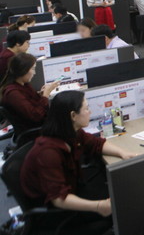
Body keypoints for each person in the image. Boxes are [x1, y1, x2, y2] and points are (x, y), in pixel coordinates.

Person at [20, 91, 136, 234]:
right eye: (86, 108)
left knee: (123, 193)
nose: (90, 112)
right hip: (55, 212)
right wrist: (98, 206)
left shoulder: (70, 132)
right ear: (73, 116)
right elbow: (58, 199)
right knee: (123, 207)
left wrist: (122, 153)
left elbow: (96, 143)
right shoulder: (48, 153)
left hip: (73, 189)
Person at [0, 53, 58, 137]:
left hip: (40, 123)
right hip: (35, 129)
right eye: (33, 69)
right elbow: (36, 116)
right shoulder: (13, 93)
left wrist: (41, 95)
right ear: (23, 70)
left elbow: (32, 103)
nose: (34, 73)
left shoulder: (23, 85)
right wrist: (45, 95)